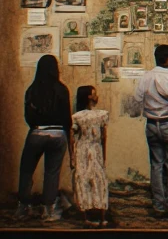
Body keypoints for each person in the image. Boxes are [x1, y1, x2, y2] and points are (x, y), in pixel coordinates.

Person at [134, 45, 168, 218]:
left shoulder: (146, 77)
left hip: (151, 125)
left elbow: (137, 98)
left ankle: (158, 206)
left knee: (156, 165)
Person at [15, 55, 72, 222]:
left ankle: (24, 207)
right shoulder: (62, 89)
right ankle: (50, 210)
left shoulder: (32, 90)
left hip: (37, 132)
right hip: (58, 134)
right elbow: (67, 119)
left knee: (26, 170)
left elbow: (28, 118)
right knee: (52, 172)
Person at [70, 86, 109, 227]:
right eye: (94, 94)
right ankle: (102, 216)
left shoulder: (77, 116)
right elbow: (104, 137)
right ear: (89, 97)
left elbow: (73, 137)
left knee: (83, 180)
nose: (96, 96)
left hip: (82, 149)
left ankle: (86, 215)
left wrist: (72, 156)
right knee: (99, 179)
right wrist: (103, 155)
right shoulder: (101, 115)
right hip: (95, 148)